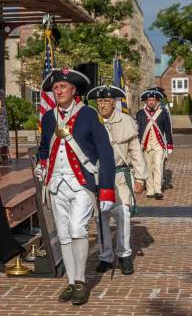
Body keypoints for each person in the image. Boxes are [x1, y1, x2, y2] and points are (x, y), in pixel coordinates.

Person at [34, 68, 115, 305]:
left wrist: (107, 189)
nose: (58, 91)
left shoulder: (89, 115)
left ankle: (81, 281)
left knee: (77, 229)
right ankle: (71, 282)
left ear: (74, 90)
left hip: (81, 183)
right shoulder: (49, 117)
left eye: (63, 87)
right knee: (63, 233)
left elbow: (105, 153)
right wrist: (42, 164)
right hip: (56, 184)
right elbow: (44, 147)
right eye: (55, 87)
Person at [87, 85, 146, 275]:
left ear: (113, 102)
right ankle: (106, 256)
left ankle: (124, 255)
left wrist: (140, 177)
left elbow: (136, 151)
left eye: (105, 101)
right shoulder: (92, 121)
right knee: (101, 217)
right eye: (99, 102)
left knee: (123, 214)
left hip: (120, 175)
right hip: (99, 175)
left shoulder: (126, 121)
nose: (102, 105)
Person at [136, 88, 173, 200]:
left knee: (158, 166)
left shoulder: (163, 113)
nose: (151, 102)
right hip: (145, 145)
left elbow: (167, 129)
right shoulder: (140, 114)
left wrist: (170, 144)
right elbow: (137, 130)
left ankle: (157, 190)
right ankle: (150, 189)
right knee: (148, 168)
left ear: (157, 101)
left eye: (153, 100)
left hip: (159, 145)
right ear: (146, 101)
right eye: (149, 100)